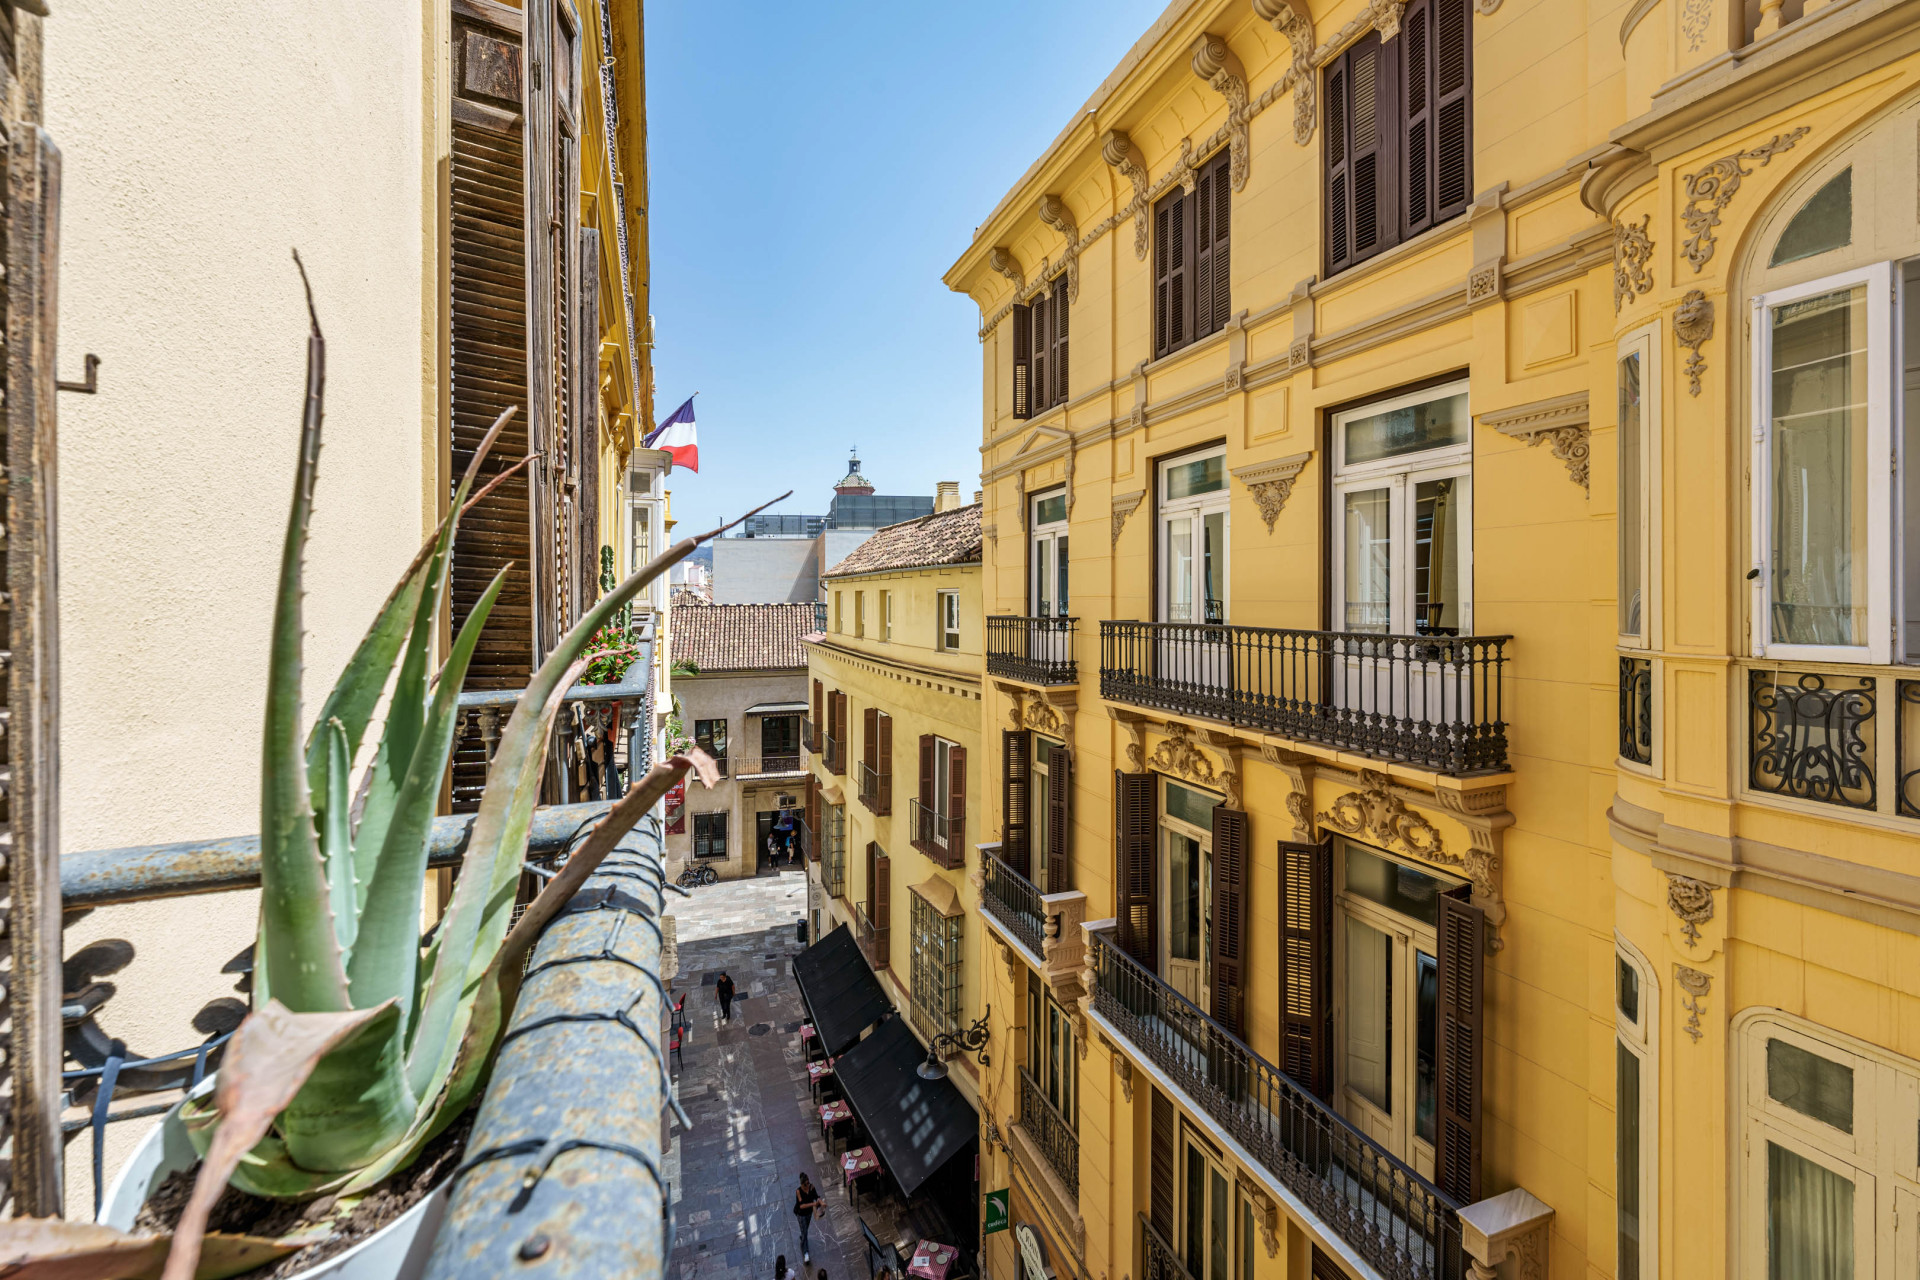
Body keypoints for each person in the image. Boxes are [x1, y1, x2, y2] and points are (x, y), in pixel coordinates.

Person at [794, 1171, 822, 1263]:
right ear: (802, 1184)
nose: (807, 1186)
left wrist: (821, 1202)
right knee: (805, 1232)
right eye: (805, 1184)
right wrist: (814, 1203)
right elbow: (801, 1206)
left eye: (808, 1183)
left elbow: (816, 1196)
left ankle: (803, 1237)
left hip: (809, 1213)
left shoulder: (811, 1186)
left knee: (805, 1230)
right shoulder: (798, 1191)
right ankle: (805, 1252)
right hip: (801, 1214)